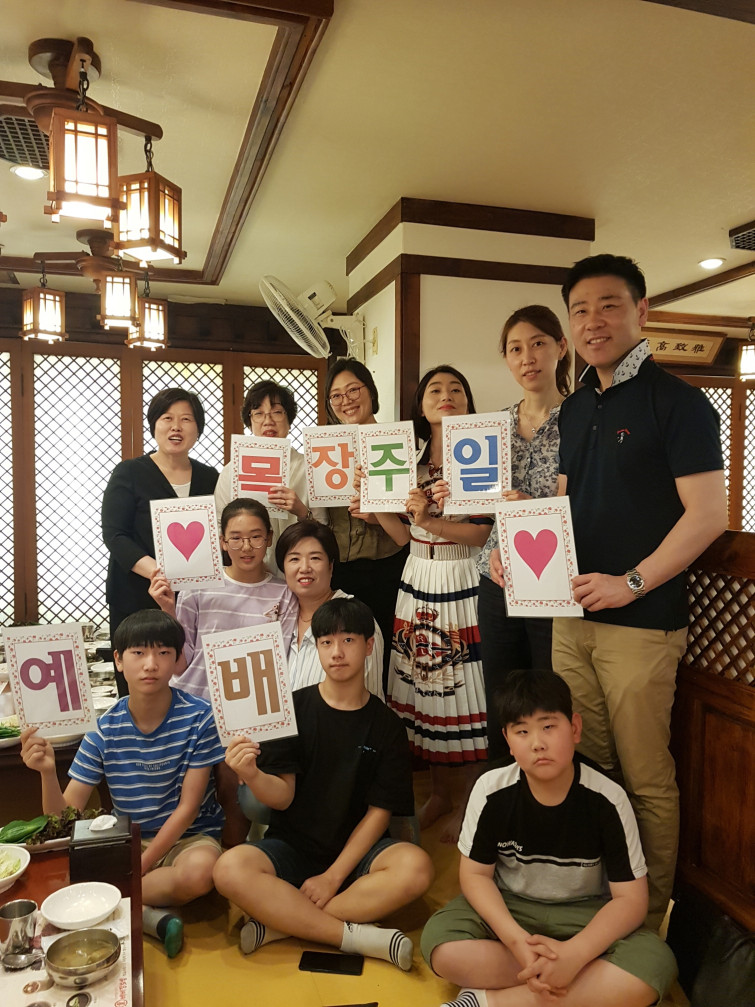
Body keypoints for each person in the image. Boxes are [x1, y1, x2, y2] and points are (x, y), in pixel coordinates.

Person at [553, 253, 727, 929]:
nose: (593, 321)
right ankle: (598, 901)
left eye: (608, 305)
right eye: (580, 310)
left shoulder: (677, 401)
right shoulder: (574, 408)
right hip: (571, 618)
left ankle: (649, 918)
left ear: (641, 311)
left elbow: (707, 515)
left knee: (646, 777)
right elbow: (562, 506)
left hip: (643, 622)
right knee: (586, 765)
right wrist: (518, 552)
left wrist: (631, 582)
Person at [421, 668, 678, 1007]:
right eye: (522, 731)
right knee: (441, 946)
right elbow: (475, 876)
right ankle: (573, 985)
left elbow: (630, 900)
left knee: (655, 964)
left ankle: (488, 1001)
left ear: (575, 728)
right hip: (511, 907)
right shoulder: (490, 789)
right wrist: (517, 942)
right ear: (507, 740)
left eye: (548, 727)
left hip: (585, 915)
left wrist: (575, 954)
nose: (537, 743)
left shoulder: (607, 798)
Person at [212, 597, 434, 969]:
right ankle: (350, 935)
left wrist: (332, 877)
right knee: (227, 869)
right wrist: (250, 774)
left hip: (359, 856)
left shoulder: (387, 725)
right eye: (326, 642)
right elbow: (282, 798)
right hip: (291, 846)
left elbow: (379, 814)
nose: (337, 652)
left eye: (348, 640)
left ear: (369, 645)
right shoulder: (292, 709)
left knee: (417, 868)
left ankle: (283, 924)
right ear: (317, 648)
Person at [20, 609, 225, 959]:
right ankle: (150, 917)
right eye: (138, 652)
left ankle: (112, 903)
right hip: (127, 839)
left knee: (201, 874)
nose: (150, 664)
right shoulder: (104, 727)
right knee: (64, 875)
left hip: (190, 838)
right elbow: (63, 816)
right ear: (118, 660)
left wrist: (138, 868)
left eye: (163, 652)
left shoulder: (200, 717)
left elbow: (189, 808)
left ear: (178, 660)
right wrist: (47, 773)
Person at [368, 366, 492, 831]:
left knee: (465, 682)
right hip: (417, 571)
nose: (446, 395)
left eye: (456, 389)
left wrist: (431, 520)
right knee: (426, 683)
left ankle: (470, 801)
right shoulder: (409, 459)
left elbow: (483, 534)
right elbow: (404, 536)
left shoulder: (481, 453)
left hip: (462, 572)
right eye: (435, 390)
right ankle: (440, 793)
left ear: (469, 401)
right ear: (420, 405)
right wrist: (374, 503)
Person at [149, 498, 297, 846]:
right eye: (236, 538)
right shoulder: (197, 587)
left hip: (247, 714)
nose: (246, 547)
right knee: (186, 798)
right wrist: (168, 609)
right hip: (195, 711)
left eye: (256, 537)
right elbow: (181, 662)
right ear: (221, 541)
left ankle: (229, 864)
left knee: (233, 797)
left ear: (269, 538)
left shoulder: (284, 592)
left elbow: (280, 664)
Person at [483, 306, 570, 761]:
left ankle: (550, 785)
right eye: (515, 349)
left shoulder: (581, 420)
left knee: (550, 689)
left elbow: (589, 501)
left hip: (556, 578)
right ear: (506, 359)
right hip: (497, 574)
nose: (527, 357)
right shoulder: (492, 427)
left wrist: (532, 507)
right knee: (501, 691)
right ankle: (502, 786)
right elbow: (483, 506)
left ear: (561, 347)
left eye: (538, 344)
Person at [102, 386, 218, 696]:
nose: (176, 427)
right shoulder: (129, 473)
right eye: (167, 418)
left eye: (186, 419)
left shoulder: (211, 478)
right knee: (141, 686)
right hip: (136, 597)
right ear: (154, 425)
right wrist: (158, 572)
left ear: (198, 429)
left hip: (194, 602)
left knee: (189, 681)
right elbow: (115, 534)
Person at [324, 359, 408, 688]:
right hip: (341, 569)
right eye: (336, 395)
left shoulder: (396, 442)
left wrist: (378, 516)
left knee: (387, 652)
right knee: (344, 655)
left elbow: (410, 523)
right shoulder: (325, 448)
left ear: (370, 391)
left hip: (387, 565)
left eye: (353, 390)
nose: (346, 400)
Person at [214, 379, 325, 574]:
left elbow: (324, 531)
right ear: (249, 422)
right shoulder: (231, 471)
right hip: (250, 574)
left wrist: (301, 512)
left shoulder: (310, 468)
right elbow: (218, 527)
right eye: (258, 413)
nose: (268, 421)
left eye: (277, 412)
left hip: (301, 573)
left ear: (289, 419)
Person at [276, 519, 383, 697]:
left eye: (315, 558)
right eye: (294, 559)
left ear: (330, 566)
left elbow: (364, 701)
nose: (304, 568)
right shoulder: (279, 616)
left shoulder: (355, 619)